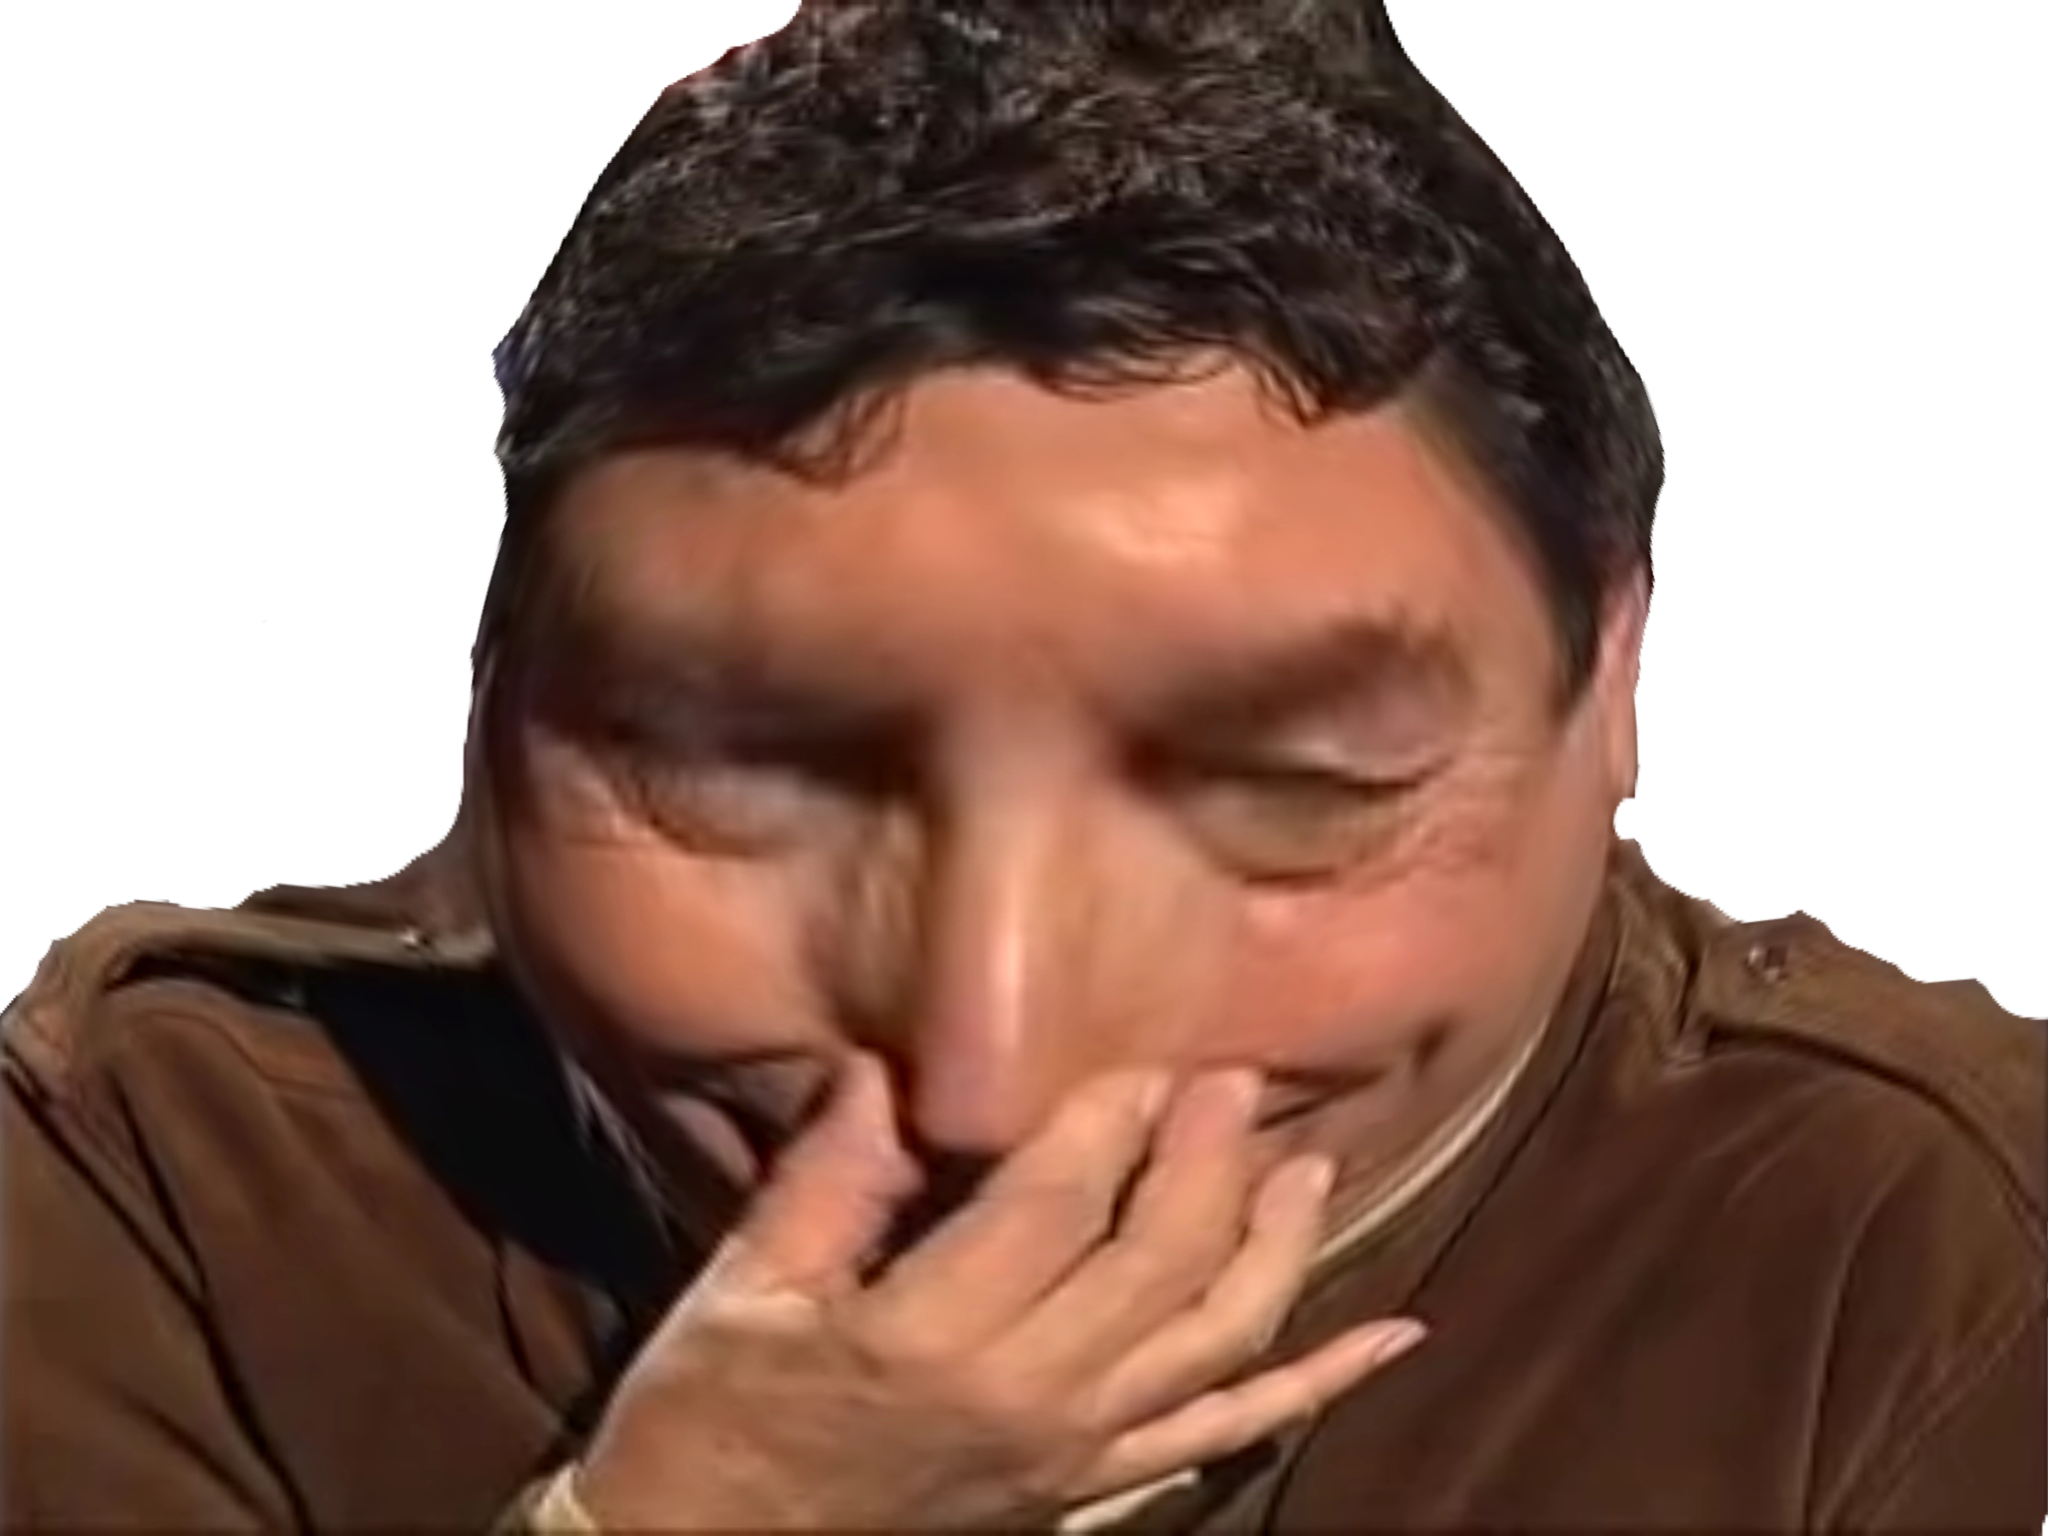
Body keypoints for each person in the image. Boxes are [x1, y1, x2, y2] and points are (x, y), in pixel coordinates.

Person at [5, 1, 2042, 1530]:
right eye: (744, 778)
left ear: (1612, 680)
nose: (992, 1078)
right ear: (489, 696)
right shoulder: (160, 1185)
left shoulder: (1931, 1249)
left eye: (1290, 794)